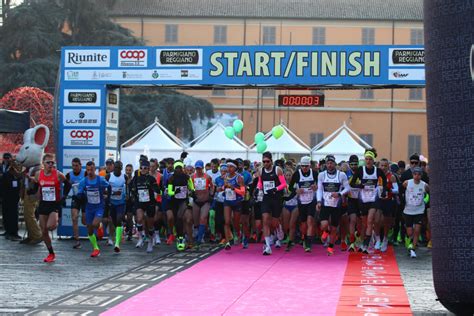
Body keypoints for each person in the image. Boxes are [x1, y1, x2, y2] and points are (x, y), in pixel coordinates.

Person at [30, 154, 70, 262]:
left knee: (50, 226)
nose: (51, 165)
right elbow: (37, 187)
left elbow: (68, 184)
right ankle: (51, 253)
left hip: (54, 204)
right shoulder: (39, 174)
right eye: (48, 162)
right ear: (43, 163)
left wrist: (64, 197)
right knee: (43, 231)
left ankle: (56, 220)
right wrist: (32, 190)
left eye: (52, 162)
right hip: (43, 204)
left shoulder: (58, 174)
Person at [350, 149, 387, 254]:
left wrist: (383, 191)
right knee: (364, 223)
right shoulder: (360, 170)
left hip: (373, 198)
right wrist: (359, 185)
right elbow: (352, 183)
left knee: (370, 221)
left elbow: (384, 180)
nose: (368, 161)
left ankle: (365, 245)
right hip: (363, 199)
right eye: (366, 159)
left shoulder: (377, 171)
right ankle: (364, 242)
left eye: (370, 159)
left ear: (373, 160)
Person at [316, 155, 350, 255]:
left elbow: (347, 188)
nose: (330, 165)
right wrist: (318, 201)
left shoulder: (341, 175)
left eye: (331, 163)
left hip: (336, 205)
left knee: (334, 228)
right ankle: (326, 231)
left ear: (335, 164)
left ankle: (330, 247)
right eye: (328, 163)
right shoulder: (321, 175)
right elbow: (319, 189)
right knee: (324, 225)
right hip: (325, 203)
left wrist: (339, 194)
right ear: (326, 164)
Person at [76, 161, 109, 258]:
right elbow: (79, 192)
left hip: (99, 206)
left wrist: (107, 194)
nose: (90, 172)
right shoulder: (83, 181)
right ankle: (96, 248)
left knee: (95, 224)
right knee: (89, 230)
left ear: (95, 170)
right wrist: (79, 195)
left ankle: (100, 225)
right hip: (89, 207)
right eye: (88, 170)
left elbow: (108, 187)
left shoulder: (100, 180)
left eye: (91, 170)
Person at [257, 152, 287, 255]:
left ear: (271, 161)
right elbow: (260, 182)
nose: (265, 163)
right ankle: (268, 246)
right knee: (265, 219)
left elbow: (284, 184)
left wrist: (275, 189)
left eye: (267, 161)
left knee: (273, 223)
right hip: (266, 198)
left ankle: (278, 228)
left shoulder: (277, 169)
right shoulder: (261, 170)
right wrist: (258, 188)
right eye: (263, 161)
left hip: (276, 198)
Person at [287, 156, 317, 252]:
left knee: (310, 221)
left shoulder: (315, 173)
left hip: (312, 200)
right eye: (302, 166)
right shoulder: (297, 174)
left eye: (306, 166)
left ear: (309, 166)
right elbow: (290, 187)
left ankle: (308, 242)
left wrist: (316, 187)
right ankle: (304, 237)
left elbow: (320, 185)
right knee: (304, 223)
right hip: (302, 201)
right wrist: (296, 190)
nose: (304, 168)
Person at [129, 160, 160, 253]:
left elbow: (158, 190)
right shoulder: (136, 178)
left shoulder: (151, 179)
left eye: (145, 168)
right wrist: (133, 193)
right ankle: (140, 237)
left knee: (150, 224)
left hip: (150, 203)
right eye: (141, 168)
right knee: (139, 219)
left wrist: (152, 188)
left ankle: (150, 240)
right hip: (140, 202)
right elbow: (131, 187)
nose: (143, 170)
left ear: (148, 169)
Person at [167, 161, 195, 251]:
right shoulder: (171, 179)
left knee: (187, 219)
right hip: (174, 202)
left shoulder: (187, 178)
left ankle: (188, 240)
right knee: (177, 219)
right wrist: (175, 192)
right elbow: (169, 192)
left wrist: (192, 192)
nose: (178, 170)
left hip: (184, 201)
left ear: (182, 169)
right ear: (175, 169)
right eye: (177, 168)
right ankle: (179, 237)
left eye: (180, 168)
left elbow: (192, 188)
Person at [402, 167, 429, 258]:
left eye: (419, 174)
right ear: (412, 175)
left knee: (417, 231)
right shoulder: (407, 183)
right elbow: (401, 190)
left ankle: (413, 249)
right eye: (415, 174)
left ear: (421, 175)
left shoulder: (424, 185)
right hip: (408, 211)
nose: (417, 176)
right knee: (410, 232)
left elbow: (429, 194)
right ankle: (409, 239)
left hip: (419, 211)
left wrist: (425, 200)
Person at [222, 160, 245, 250]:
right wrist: (222, 188)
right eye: (227, 167)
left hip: (237, 202)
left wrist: (233, 188)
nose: (228, 169)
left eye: (231, 167)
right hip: (227, 201)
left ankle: (238, 233)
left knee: (236, 222)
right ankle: (227, 242)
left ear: (235, 168)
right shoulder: (225, 177)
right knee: (227, 221)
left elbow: (243, 192)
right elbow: (224, 188)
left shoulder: (239, 178)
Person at [105, 161, 128, 253]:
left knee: (119, 220)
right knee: (114, 221)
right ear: (114, 167)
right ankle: (115, 235)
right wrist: (108, 194)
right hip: (112, 203)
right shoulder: (109, 176)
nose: (118, 169)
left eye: (120, 168)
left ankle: (117, 244)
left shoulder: (124, 177)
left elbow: (127, 188)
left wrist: (127, 195)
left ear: (121, 168)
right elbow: (105, 189)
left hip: (121, 203)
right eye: (116, 167)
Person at [1, 153, 22, 241]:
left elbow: (20, 180)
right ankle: (9, 231)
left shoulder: (17, 175)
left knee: (13, 215)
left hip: (14, 197)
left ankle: (13, 232)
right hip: (6, 196)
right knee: (7, 214)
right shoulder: (6, 175)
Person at [66, 158, 86, 249]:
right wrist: (63, 198)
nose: (74, 167)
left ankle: (97, 228)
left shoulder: (85, 173)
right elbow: (66, 188)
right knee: (74, 218)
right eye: (73, 165)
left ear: (80, 165)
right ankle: (77, 241)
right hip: (76, 198)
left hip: (85, 199)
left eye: (76, 165)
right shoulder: (69, 175)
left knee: (85, 221)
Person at [192, 160, 213, 246]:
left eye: (200, 169)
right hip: (196, 201)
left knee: (203, 218)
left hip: (205, 201)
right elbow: (190, 187)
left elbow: (212, 186)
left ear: (202, 168)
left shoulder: (207, 177)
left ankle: (200, 238)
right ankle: (198, 234)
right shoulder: (192, 177)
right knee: (196, 221)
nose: (198, 170)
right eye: (197, 169)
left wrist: (211, 193)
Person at [346, 155, 362, 252]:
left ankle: (359, 238)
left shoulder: (361, 173)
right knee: (352, 220)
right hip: (351, 199)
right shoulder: (346, 174)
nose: (353, 166)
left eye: (355, 164)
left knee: (360, 222)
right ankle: (352, 242)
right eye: (351, 164)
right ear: (349, 165)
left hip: (361, 200)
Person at [282, 168, 299, 252]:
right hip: (286, 205)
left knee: (292, 224)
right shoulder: (282, 184)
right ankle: (288, 236)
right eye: (287, 175)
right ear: (284, 176)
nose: (288, 177)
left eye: (290, 175)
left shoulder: (296, 184)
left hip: (295, 205)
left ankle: (290, 241)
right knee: (285, 226)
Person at [124, 164, 135, 241]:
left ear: (132, 170)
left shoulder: (134, 179)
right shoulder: (123, 178)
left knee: (130, 217)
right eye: (127, 170)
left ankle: (130, 233)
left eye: (129, 170)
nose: (128, 172)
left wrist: (133, 197)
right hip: (123, 200)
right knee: (121, 217)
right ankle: (126, 226)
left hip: (131, 201)